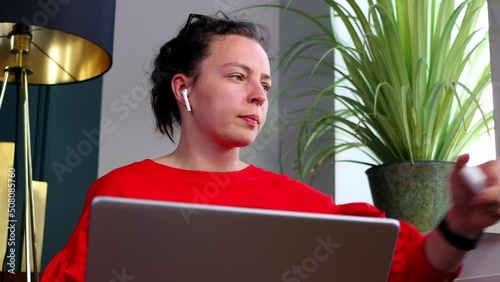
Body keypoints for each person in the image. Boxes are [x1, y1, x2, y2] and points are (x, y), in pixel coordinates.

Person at [41, 12, 500, 282]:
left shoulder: (298, 205)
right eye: (237, 77)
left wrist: (462, 223)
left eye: (264, 83)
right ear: (184, 89)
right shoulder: (119, 191)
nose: (259, 95)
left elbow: (410, 270)